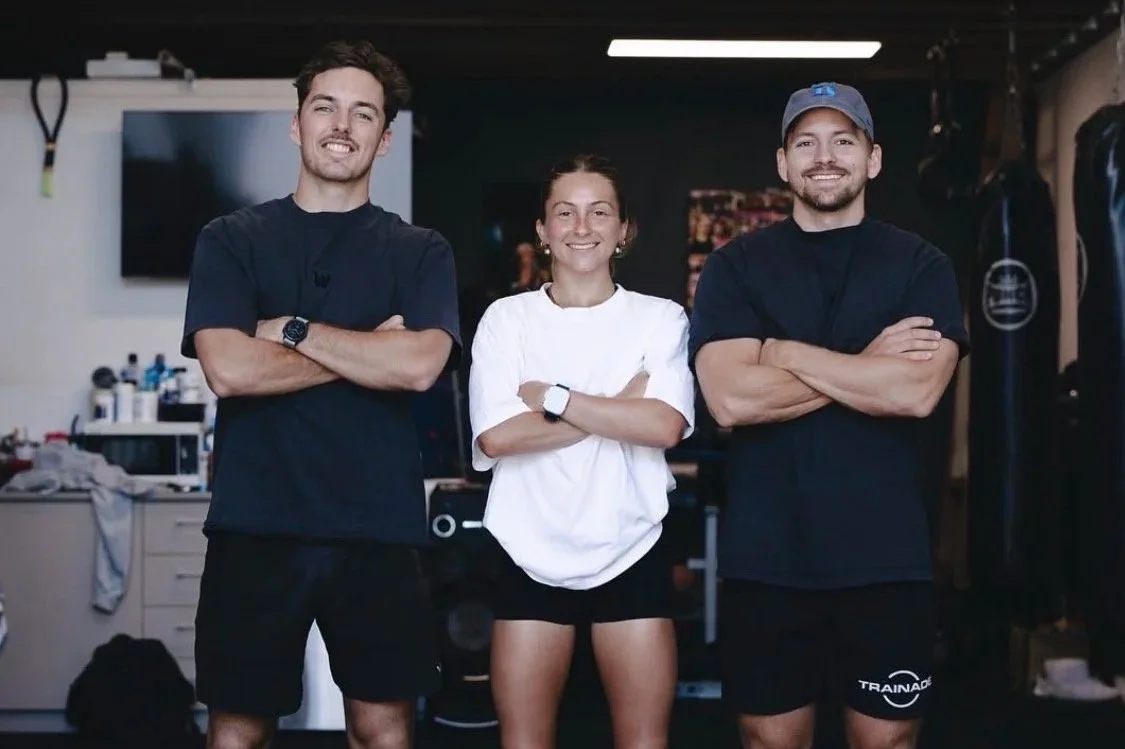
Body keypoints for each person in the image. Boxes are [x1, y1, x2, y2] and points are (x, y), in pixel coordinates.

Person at [180, 40, 461, 749]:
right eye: (325, 107)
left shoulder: (420, 250)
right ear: (296, 124)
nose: (342, 124)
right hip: (255, 525)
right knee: (238, 729)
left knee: (382, 728)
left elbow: (422, 365)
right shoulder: (230, 239)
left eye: (363, 113)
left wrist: (294, 331)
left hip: (377, 527)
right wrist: (369, 346)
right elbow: (231, 369)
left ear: (385, 138)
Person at [689, 82, 970, 749]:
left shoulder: (920, 266)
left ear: (872, 159)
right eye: (805, 142)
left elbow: (915, 393)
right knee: (768, 739)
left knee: (887, 740)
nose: (824, 156)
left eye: (843, 141)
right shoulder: (735, 267)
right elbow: (731, 400)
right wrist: (866, 361)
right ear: (782, 163)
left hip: (886, 557)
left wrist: (783, 353)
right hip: (767, 556)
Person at [468, 153, 696, 748]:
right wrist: (618, 408)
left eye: (600, 212)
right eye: (564, 213)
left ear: (625, 230)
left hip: (632, 545)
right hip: (526, 548)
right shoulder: (507, 320)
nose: (582, 226)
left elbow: (666, 426)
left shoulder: (659, 318)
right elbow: (497, 437)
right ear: (542, 232)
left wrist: (555, 398)